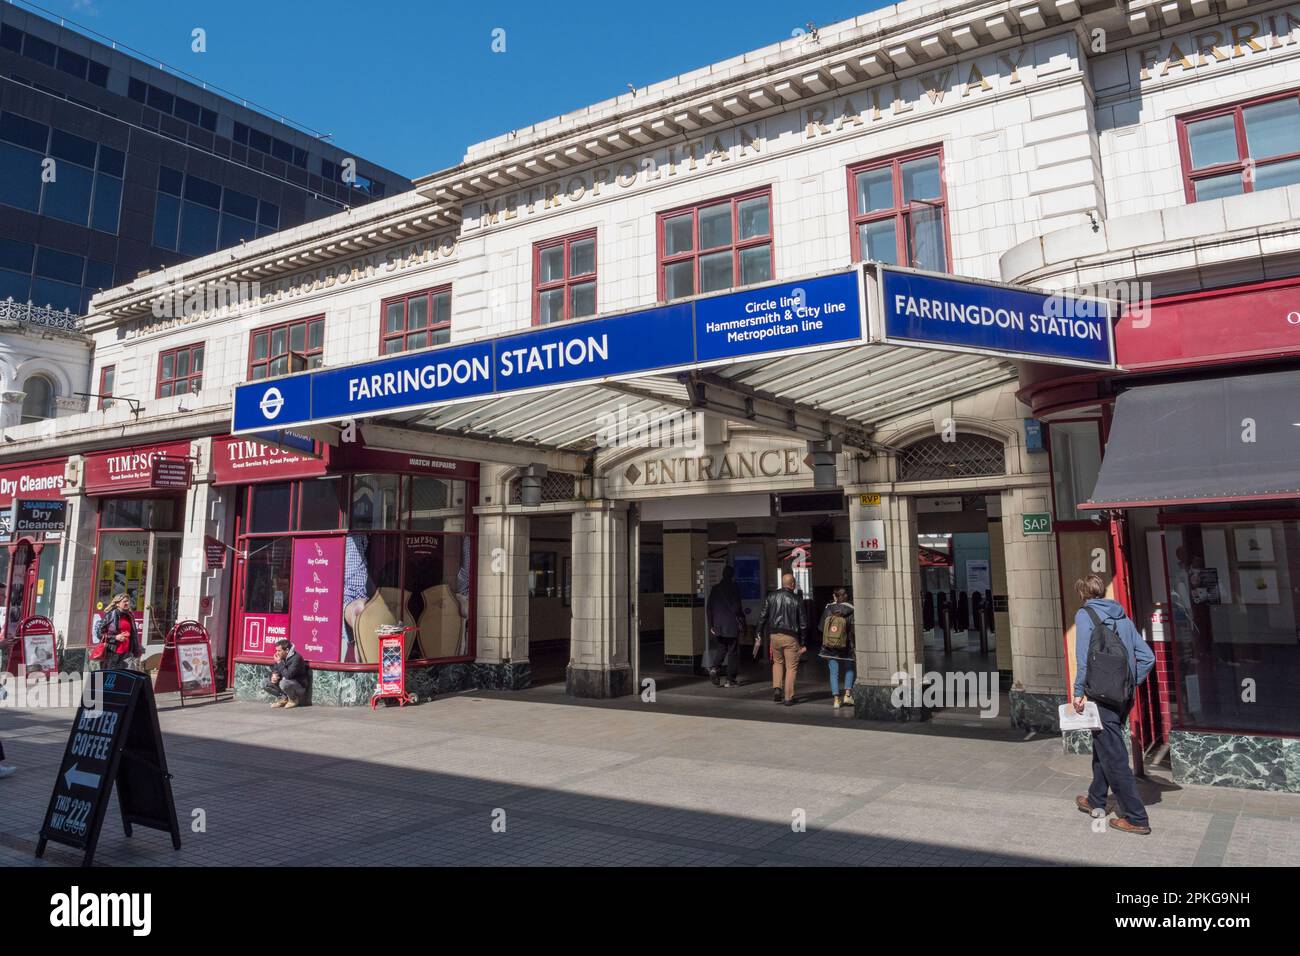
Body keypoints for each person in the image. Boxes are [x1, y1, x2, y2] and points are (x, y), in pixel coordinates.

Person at [1071, 573, 1155, 835]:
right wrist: (1131, 683)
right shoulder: (1122, 615)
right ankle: (1096, 799)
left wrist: (1078, 692)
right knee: (1103, 745)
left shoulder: (1085, 616)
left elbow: (1083, 657)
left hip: (1101, 696)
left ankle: (1136, 817)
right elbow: (1148, 657)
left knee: (1114, 756)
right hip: (1123, 697)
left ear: (1083, 594)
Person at [757, 572, 807, 706]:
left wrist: (758, 633)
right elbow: (803, 623)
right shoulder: (797, 599)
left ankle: (777, 689)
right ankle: (789, 697)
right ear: (792, 584)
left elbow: (763, 616)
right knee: (791, 667)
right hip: (791, 637)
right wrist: (803, 642)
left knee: (777, 662)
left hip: (774, 636)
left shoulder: (771, 596)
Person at [706, 565, 744, 687]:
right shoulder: (734, 588)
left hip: (718, 625)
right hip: (731, 625)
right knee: (732, 651)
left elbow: (709, 608)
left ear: (722, 574)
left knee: (721, 649)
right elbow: (737, 607)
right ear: (732, 575)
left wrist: (711, 625)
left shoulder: (715, 588)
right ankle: (730, 680)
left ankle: (714, 668)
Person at [818, 588, 855, 709]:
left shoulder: (828, 609)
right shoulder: (852, 609)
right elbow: (854, 629)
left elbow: (821, 628)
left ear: (835, 597)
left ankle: (836, 699)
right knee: (849, 668)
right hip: (847, 644)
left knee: (834, 671)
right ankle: (848, 695)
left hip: (830, 645)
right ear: (846, 597)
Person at [99, 593, 142, 671]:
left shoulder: (130, 615)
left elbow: (133, 635)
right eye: (124, 601)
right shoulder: (110, 615)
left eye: (128, 601)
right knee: (111, 676)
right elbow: (99, 633)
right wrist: (115, 637)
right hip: (113, 652)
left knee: (128, 676)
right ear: (117, 603)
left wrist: (137, 649)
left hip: (127, 653)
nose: (127, 603)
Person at [265, 639, 309, 708]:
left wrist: (279, 662)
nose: (277, 653)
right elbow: (275, 668)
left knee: (284, 683)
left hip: (299, 687)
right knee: (265, 683)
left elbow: (288, 675)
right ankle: (283, 698)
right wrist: (274, 674)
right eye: (276, 650)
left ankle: (293, 700)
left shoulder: (296, 658)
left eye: (279, 650)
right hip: (285, 684)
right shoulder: (281, 657)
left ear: (287, 651)